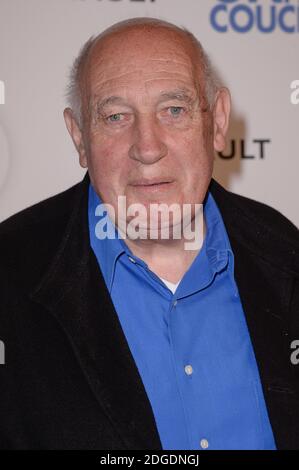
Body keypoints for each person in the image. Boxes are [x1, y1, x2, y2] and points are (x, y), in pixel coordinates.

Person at [0, 17, 298, 451]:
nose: (147, 146)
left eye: (173, 110)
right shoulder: (8, 274)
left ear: (216, 122)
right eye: (115, 116)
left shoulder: (283, 250)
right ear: (79, 136)